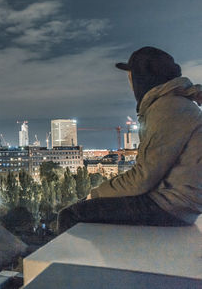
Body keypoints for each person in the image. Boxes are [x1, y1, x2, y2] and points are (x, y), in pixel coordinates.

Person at [57, 46, 202, 234]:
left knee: (71, 215)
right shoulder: (174, 104)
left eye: (131, 75)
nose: (129, 81)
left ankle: (67, 264)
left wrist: (95, 195)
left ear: (143, 77)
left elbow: (142, 177)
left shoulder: (167, 108)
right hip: (179, 202)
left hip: (171, 205)